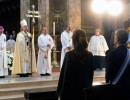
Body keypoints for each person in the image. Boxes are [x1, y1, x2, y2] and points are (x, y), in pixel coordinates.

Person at [57, 29, 94, 100]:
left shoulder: (69, 56)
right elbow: (90, 76)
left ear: (74, 40)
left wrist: (60, 93)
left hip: (71, 94)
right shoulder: (90, 55)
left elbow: (64, 77)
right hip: (84, 93)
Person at [106, 29, 130, 97]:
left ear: (116, 39)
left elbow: (108, 73)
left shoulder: (112, 54)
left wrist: (107, 82)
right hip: (127, 88)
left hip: (115, 88)